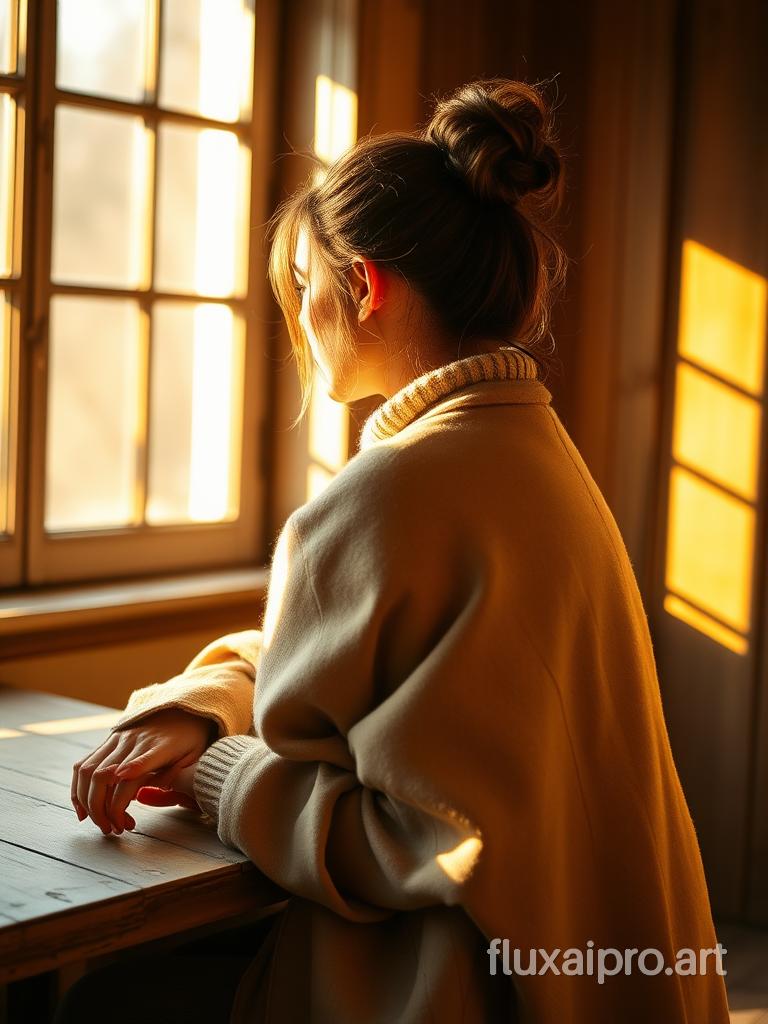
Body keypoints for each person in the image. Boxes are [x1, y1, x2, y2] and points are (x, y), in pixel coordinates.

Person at [62, 78, 731, 1023]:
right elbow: (346, 657)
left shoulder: (393, 491)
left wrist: (217, 775)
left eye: (302, 288)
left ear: (365, 286)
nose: (296, 320)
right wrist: (203, 708)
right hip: (597, 974)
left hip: (457, 988)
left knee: (102, 1003)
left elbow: (419, 838)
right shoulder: (531, 454)